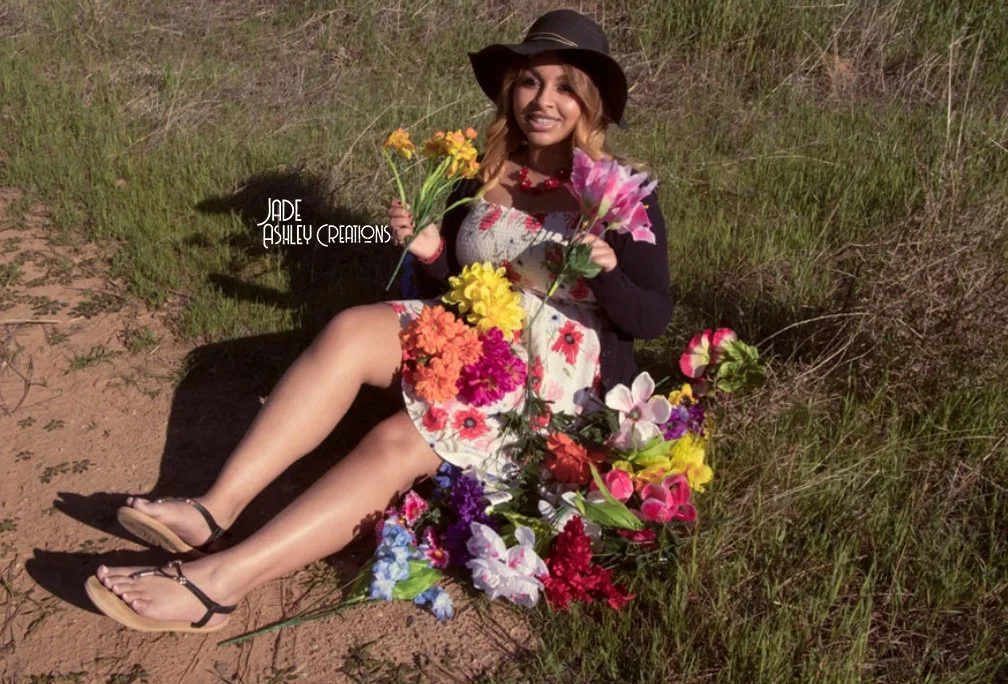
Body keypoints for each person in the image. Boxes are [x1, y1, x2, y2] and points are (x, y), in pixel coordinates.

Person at [84, 8, 674, 633]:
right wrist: (431, 254)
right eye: (530, 81)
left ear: (590, 103)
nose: (543, 101)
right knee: (347, 329)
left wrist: (606, 269)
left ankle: (218, 586)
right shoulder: (480, 173)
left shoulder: (618, 191)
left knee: (395, 443)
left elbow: (653, 316)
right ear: (511, 90)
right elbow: (453, 285)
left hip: (549, 379)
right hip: (469, 335)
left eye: (564, 87)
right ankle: (210, 511)